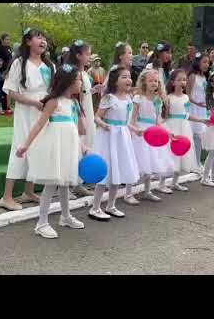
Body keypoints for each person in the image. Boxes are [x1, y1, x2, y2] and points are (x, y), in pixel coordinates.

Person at [15, 64, 86, 239]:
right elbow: (40, 124)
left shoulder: (74, 103)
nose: (81, 83)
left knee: (64, 183)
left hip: (68, 147)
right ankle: (42, 222)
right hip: (55, 147)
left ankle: (66, 216)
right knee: (51, 184)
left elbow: (77, 129)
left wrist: (82, 145)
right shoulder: (54, 102)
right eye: (78, 80)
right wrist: (25, 144)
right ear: (68, 82)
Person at [0, 28, 55, 211]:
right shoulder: (19, 63)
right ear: (28, 41)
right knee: (20, 147)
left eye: (44, 38)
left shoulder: (49, 66)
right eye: (38, 37)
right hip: (26, 111)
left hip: (43, 112)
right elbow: (12, 92)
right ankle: (6, 196)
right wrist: (33, 102)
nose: (43, 40)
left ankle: (28, 192)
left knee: (37, 148)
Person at [89, 65, 140, 220]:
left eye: (129, 76)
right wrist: (103, 124)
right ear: (115, 81)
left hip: (122, 138)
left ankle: (111, 205)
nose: (128, 79)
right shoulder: (109, 98)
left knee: (117, 171)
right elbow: (96, 117)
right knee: (104, 172)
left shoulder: (129, 99)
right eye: (123, 77)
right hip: (108, 137)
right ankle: (95, 207)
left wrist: (135, 129)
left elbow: (124, 122)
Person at [159, 69, 209, 192]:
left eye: (184, 80)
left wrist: (202, 120)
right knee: (169, 154)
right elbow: (163, 116)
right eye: (179, 79)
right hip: (171, 126)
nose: (183, 82)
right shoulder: (168, 98)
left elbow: (187, 115)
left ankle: (175, 182)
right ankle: (161, 183)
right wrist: (165, 130)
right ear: (172, 82)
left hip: (184, 127)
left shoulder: (186, 97)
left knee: (181, 153)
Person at [130, 69, 174, 199]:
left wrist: (167, 132)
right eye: (151, 81)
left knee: (149, 164)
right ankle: (128, 193)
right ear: (144, 82)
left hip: (153, 134)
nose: (154, 83)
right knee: (137, 163)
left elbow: (158, 120)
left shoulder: (157, 100)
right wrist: (136, 129)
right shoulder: (138, 98)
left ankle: (147, 191)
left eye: (156, 81)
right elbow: (132, 119)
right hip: (140, 132)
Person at [67, 39, 96, 197]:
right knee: (76, 146)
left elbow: (84, 93)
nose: (90, 57)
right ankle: (67, 185)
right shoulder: (74, 73)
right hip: (80, 113)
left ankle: (79, 182)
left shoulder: (84, 73)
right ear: (78, 55)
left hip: (88, 111)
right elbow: (75, 96)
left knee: (84, 145)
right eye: (87, 54)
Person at [187, 52, 210, 174]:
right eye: (204, 62)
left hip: (202, 109)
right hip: (194, 108)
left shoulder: (204, 77)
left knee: (200, 137)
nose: (207, 64)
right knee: (193, 135)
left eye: (208, 62)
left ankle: (197, 162)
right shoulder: (192, 76)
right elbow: (188, 95)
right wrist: (197, 103)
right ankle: (193, 163)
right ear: (198, 63)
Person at [0, 33, 13, 112]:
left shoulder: (9, 48)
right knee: (4, 89)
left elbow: (10, 59)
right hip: (3, 71)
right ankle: (5, 107)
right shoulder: (0, 49)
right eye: (6, 39)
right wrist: (3, 72)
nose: (8, 41)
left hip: (9, 71)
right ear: (2, 40)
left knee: (7, 89)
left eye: (9, 39)